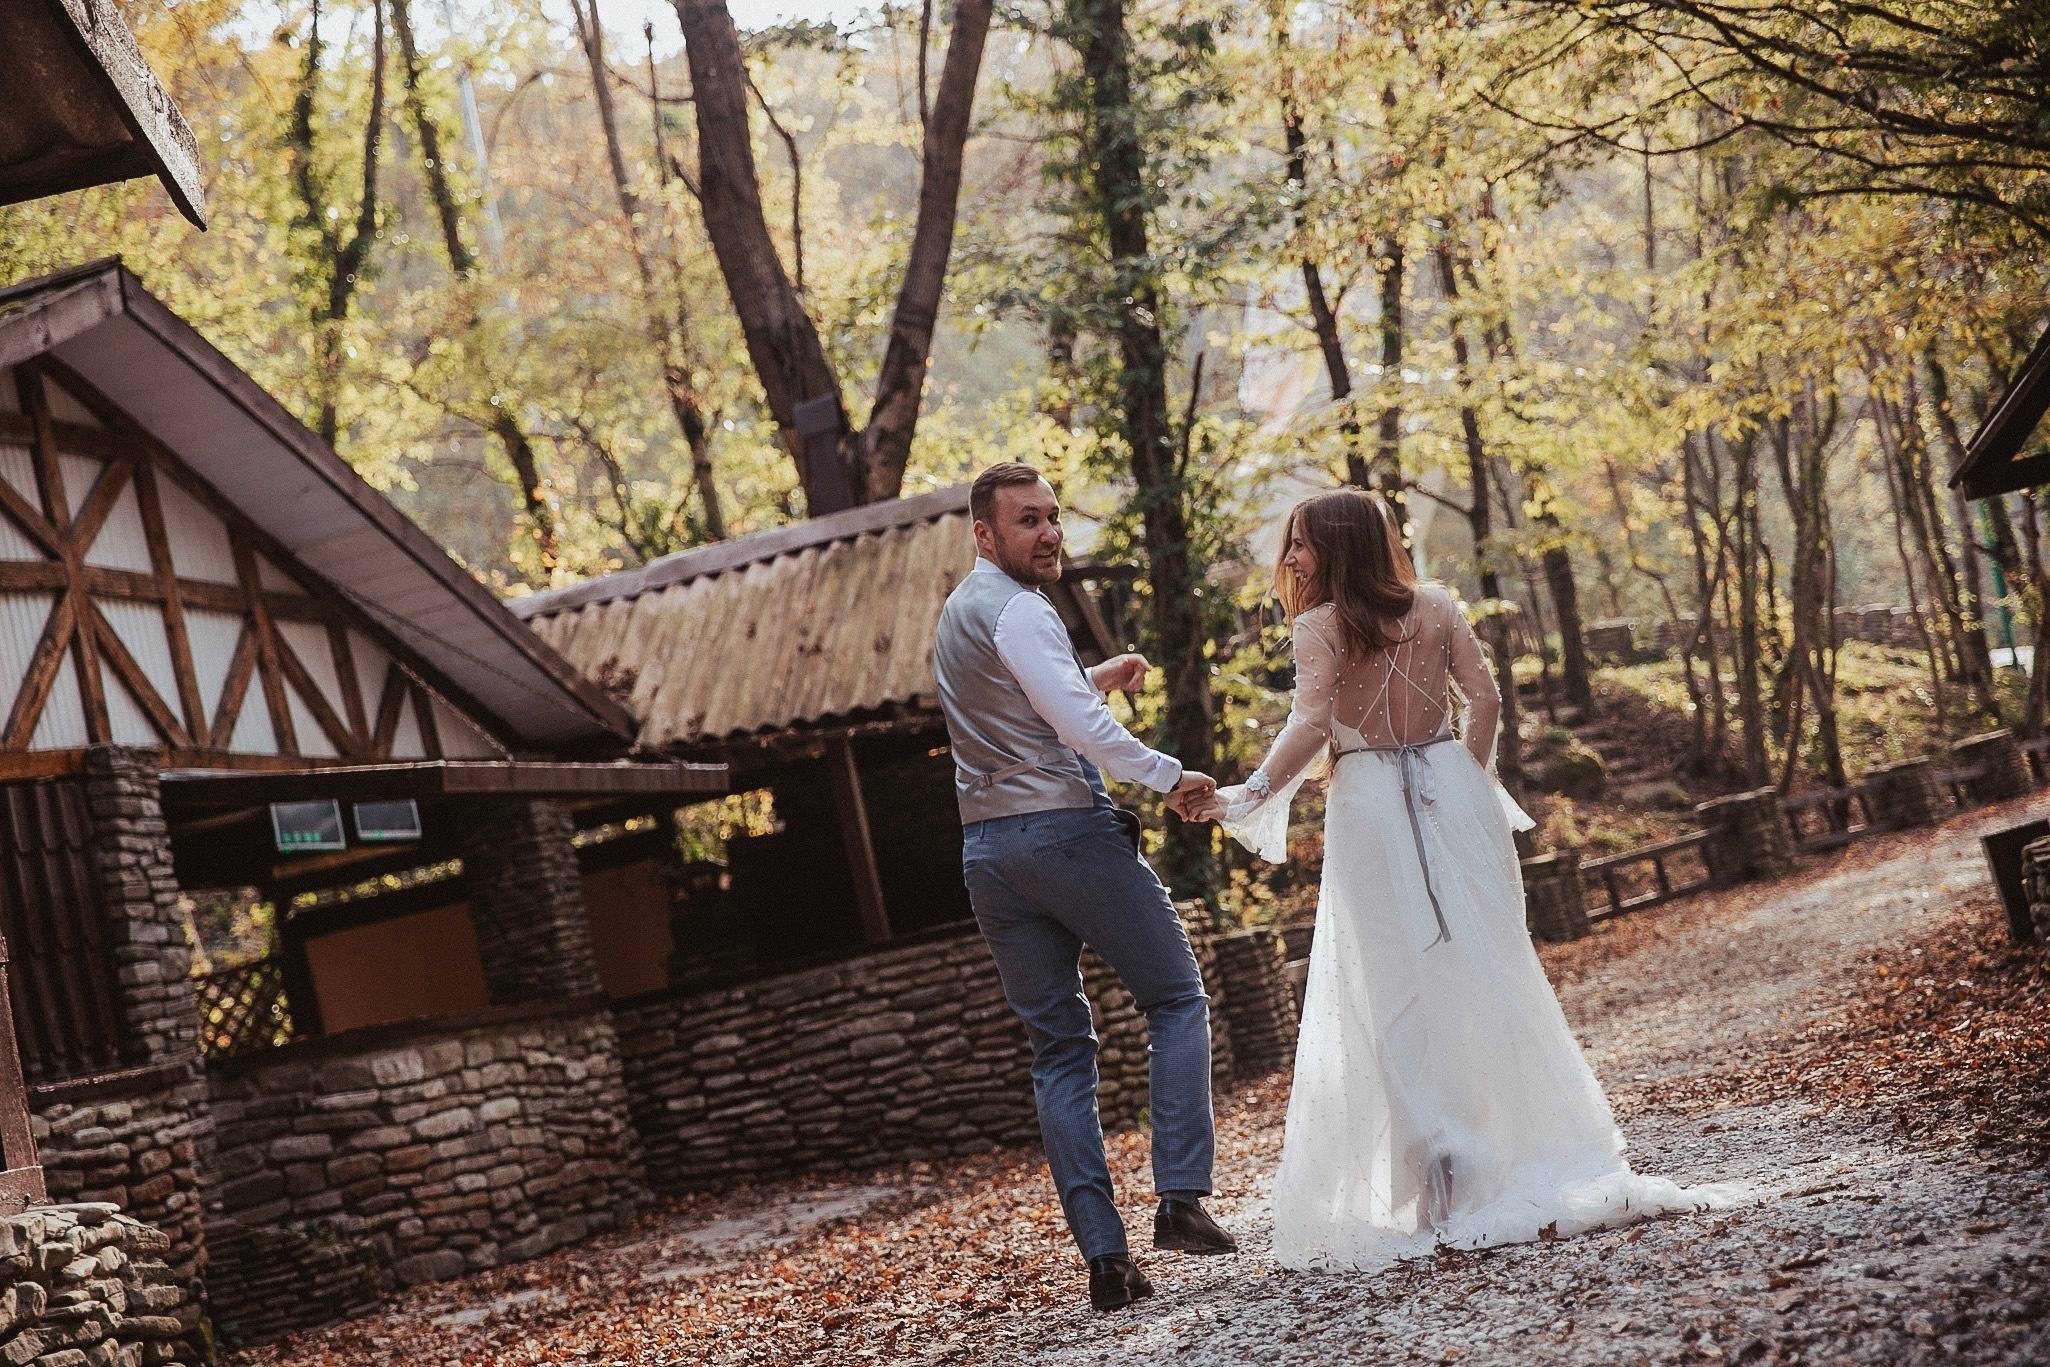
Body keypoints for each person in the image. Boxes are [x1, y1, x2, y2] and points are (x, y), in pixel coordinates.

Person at [1188, 488, 1730, 1269]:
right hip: (1449, 785)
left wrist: (1248, 795)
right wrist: (1465, 779)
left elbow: (1310, 725)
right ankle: (1508, 1153)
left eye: (1302, 543)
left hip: (1370, 800)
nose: (1290, 559)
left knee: (1396, 988)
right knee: (1481, 968)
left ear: (1340, 547)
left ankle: (1445, 1182)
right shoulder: (1437, 603)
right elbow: (1486, 696)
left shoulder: (1317, 625)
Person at [934, 461, 1238, 1312]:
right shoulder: (1024, 608)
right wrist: (1171, 775)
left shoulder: (960, 614)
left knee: (1059, 1052)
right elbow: (1075, 728)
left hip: (988, 856)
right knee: (1176, 998)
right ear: (985, 534)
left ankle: (1106, 1262)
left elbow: (1020, 711)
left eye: (1053, 517)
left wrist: (1099, 674)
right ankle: (1179, 1199)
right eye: (1027, 521)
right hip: (1066, 834)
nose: (1049, 533)